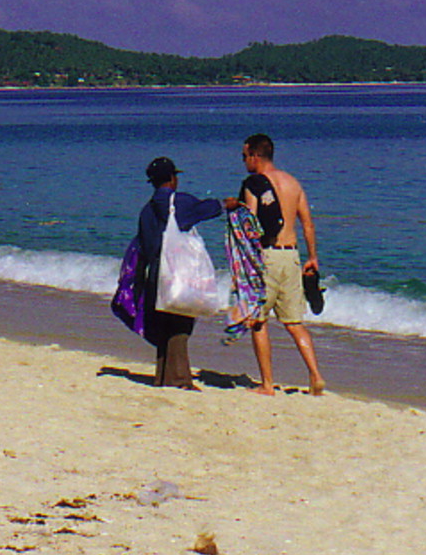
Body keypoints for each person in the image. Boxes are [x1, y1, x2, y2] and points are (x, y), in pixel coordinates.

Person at [236, 133, 326, 396]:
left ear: (255, 155)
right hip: (292, 255)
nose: (244, 162)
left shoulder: (255, 184)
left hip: (267, 255)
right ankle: (316, 375)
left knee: (258, 322)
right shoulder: (293, 183)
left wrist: (243, 260)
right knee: (294, 322)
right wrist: (312, 257)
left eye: (244, 157)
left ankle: (267, 384)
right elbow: (307, 224)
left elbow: (250, 224)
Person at [136, 156, 226, 389]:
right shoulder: (179, 203)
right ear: (171, 179)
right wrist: (227, 204)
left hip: (156, 271)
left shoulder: (147, 210)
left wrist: (138, 282)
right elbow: (206, 209)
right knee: (181, 322)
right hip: (177, 271)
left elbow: (143, 249)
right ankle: (180, 378)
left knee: (165, 323)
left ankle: (163, 375)